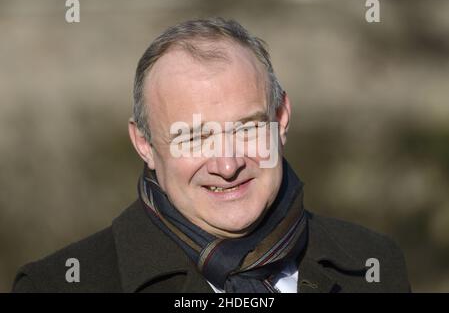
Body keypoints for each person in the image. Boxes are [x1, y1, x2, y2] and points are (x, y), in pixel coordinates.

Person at [12, 17, 410, 293]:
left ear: (281, 118)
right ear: (145, 144)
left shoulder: (372, 263)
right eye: (195, 137)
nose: (227, 165)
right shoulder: (59, 285)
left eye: (246, 127)